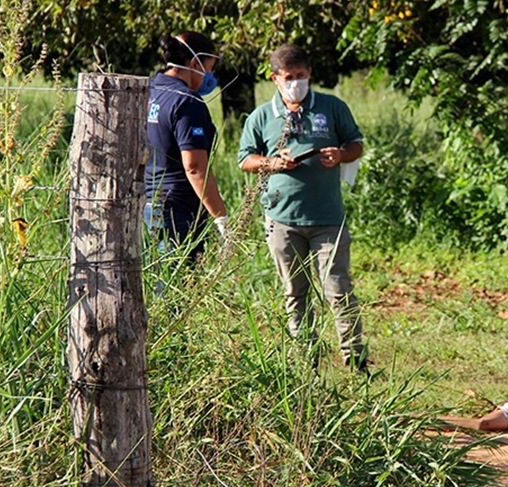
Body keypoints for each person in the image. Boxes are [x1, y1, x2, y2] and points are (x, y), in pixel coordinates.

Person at [237, 44, 367, 372]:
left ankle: (355, 359)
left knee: (338, 289)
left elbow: (356, 144)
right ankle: (304, 361)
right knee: (295, 293)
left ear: (309, 74)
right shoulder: (262, 116)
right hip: (282, 219)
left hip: (326, 218)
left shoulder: (331, 107)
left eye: (301, 76)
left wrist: (340, 155)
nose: (296, 82)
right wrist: (273, 162)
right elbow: (245, 159)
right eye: (288, 77)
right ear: (275, 79)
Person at [145, 31, 228, 263]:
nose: (209, 77)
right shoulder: (186, 101)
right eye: (208, 69)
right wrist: (221, 217)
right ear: (195, 63)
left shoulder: (149, 91)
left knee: (158, 280)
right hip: (178, 210)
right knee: (178, 284)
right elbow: (194, 167)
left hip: (148, 204)